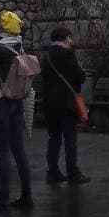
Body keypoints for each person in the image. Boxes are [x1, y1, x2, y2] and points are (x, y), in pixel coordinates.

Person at [0, 9, 36, 213]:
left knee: (3, 150)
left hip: (0, 100)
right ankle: (26, 195)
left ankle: (3, 198)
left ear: (3, 27)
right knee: (19, 149)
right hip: (17, 101)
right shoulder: (19, 45)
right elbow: (2, 44)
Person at [41, 26, 90, 185]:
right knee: (70, 137)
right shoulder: (67, 55)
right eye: (69, 37)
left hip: (50, 103)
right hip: (66, 103)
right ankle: (73, 172)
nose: (71, 41)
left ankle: (53, 171)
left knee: (54, 137)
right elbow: (80, 76)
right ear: (63, 38)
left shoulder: (47, 57)